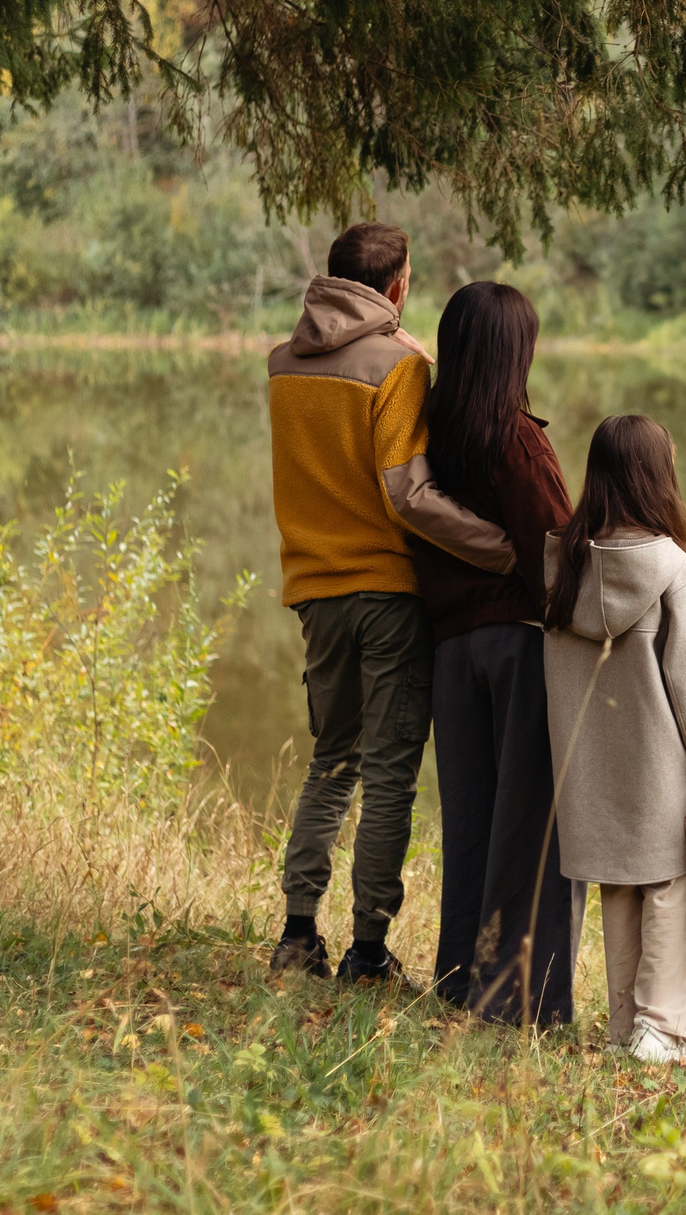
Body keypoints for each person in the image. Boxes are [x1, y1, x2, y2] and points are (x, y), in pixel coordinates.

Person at [266, 222, 515, 985]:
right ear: (398, 286)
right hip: (387, 594)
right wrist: (500, 546)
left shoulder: (282, 364)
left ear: (334, 277)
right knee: (389, 774)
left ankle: (298, 934)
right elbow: (408, 494)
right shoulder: (400, 366)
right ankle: (368, 950)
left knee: (331, 763)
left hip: (315, 590)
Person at [541, 415, 686, 1065]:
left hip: (588, 771)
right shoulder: (671, 571)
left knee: (619, 891)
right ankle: (666, 1028)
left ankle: (627, 1024)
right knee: (668, 889)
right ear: (658, 479)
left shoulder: (563, 566)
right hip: (658, 768)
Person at [412, 281, 574, 1025]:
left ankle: (460, 977)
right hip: (516, 647)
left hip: (450, 650)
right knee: (529, 827)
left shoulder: (426, 428)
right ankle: (518, 998)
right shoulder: (514, 436)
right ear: (517, 353)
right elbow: (555, 548)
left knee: (472, 820)